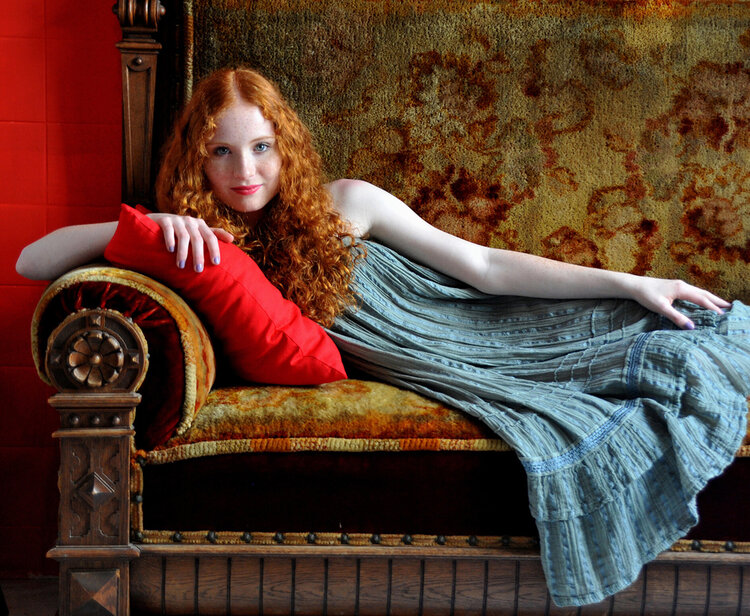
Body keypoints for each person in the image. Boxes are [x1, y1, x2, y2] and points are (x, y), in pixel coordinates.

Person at [16, 67, 750, 607]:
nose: (246, 171)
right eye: (222, 152)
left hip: (490, 324)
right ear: (195, 159)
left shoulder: (348, 203)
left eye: (263, 147)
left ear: (287, 147)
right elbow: (31, 259)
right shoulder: (200, 246)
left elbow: (484, 267)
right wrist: (146, 224)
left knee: (687, 339)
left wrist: (630, 283)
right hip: (443, 367)